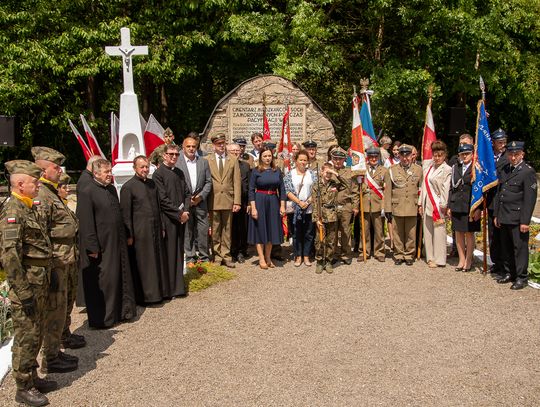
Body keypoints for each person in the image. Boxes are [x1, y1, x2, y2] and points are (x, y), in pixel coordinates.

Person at [0, 160, 57, 406]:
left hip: (39, 281)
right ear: (20, 184)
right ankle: (23, 386)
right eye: (34, 182)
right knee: (26, 335)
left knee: (37, 332)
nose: (37, 185)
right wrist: (22, 292)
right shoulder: (13, 211)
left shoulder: (27, 207)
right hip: (27, 286)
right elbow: (9, 255)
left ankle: (32, 375)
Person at [31, 147, 80, 376]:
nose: (59, 171)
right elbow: (40, 235)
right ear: (42, 169)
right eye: (55, 167)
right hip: (54, 262)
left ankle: (56, 350)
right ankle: (50, 358)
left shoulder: (50, 193)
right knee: (53, 310)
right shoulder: (41, 196)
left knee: (61, 308)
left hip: (64, 259)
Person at [77, 159, 136, 328]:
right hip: (101, 244)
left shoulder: (110, 188)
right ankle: (104, 318)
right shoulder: (87, 191)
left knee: (118, 276)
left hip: (116, 241)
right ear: (96, 173)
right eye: (106, 172)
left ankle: (121, 312)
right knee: (105, 281)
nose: (110, 174)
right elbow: (86, 222)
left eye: (110, 171)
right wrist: (92, 247)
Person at [120, 156, 168, 304]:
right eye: (142, 167)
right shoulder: (128, 187)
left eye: (146, 167)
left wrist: (162, 226)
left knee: (157, 261)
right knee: (145, 263)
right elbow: (125, 213)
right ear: (135, 168)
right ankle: (147, 296)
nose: (145, 170)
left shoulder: (152, 184)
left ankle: (160, 292)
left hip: (155, 228)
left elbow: (158, 207)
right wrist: (129, 235)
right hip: (140, 232)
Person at [494, 141, 537, 290]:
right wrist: (497, 214)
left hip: (518, 217)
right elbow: (500, 193)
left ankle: (521, 277)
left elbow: (529, 199)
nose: (513, 157)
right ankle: (509, 273)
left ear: (522, 154)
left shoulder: (527, 172)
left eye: (516, 154)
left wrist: (525, 221)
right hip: (504, 214)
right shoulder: (506, 169)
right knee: (506, 247)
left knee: (519, 249)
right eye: (510, 154)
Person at [153, 144, 191, 297]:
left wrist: (186, 211)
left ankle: (178, 286)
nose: (174, 157)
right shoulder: (158, 174)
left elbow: (187, 193)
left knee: (179, 251)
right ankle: (169, 289)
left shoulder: (179, 172)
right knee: (169, 252)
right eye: (171, 154)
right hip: (168, 219)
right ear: (164, 156)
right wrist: (178, 213)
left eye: (176, 154)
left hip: (181, 217)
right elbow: (162, 199)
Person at [56, 173, 85, 350]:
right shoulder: (50, 205)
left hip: (69, 258)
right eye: (63, 187)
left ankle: (65, 334)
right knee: (58, 305)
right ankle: (55, 346)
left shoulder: (64, 205)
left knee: (67, 301)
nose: (67, 189)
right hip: (59, 260)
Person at [384, 144, 423, 265]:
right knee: (398, 232)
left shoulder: (418, 169)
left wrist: (420, 205)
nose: (405, 158)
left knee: (411, 233)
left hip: (412, 205)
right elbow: (388, 191)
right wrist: (387, 209)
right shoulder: (391, 170)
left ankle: (409, 254)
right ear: (399, 156)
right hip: (397, 206)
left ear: (412, 156)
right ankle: (399, 254)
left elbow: (421, 188)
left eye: (408, 155)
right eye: (403, 155)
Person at [206, 134, 241, 267]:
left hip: (228, 199)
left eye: (223, 143)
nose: (221, 145)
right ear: (213, 145)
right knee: (215, 229)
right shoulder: (207, 160)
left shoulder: (232, 159)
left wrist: (237, 201)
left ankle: (226, 255)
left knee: (227, 230)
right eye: (218, 143)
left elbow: (237, 182)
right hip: (213, 199)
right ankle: (217, 255)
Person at [176, 137, 212, 267]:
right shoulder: (178, 163)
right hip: (185, 202)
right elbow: (176, 183)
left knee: (202, 230)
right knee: (188, 230)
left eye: (194, 146)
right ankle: (190, 258)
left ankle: (204, 257)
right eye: (188, 146)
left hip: (200, 202)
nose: (191, 149)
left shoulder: (203, 162)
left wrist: (200, 197)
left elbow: (208, 182)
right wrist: (187, 200)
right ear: (183, 148)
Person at [248, 147, 286, 269]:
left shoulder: (277, 171)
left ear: (272, 157)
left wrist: (282, 206)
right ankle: (261, 258)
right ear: (260, 157)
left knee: (271, 229)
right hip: (259, 200)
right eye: (265, 156)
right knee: (260, 229)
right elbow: (251, 190)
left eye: (269, 156)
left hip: (273, 201)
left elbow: (282, 190)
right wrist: (253, 208)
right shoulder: (256, 171)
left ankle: (268, 257)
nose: (267, 158)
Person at [418, 141, 452, 268]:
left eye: (440, 155)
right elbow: (423, 186)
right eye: (435, 155)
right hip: (427, 203)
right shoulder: (429, 168)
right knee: (428, 232)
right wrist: (420, 203)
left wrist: (443, 204)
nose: (437, 158)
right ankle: (430, 257)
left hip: (438, 204)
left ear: (444, 156)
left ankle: (440, 259)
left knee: (439, 232)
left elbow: (445, 188)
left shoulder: (447, 169)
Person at [448, 144, 480, 272]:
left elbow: (480, 191)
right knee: (458, 232)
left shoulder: (476, 168)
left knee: (469, 233)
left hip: (470, 205)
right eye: (462, 154)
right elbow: (452, 188)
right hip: (457, 204)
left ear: (472, 154)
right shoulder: (456, 167)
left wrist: (478, 209)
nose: (464, 156)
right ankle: (461, 259)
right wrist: (450, 205)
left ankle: (469, 259)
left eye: (467, 153)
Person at [312, 163, 347, 274]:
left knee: (331, 241)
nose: (328, 174)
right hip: (321, 214)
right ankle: (319, 261)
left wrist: (335, 173)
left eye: (329, 172)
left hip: (332, 215)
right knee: (319, 240)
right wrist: (316, 219)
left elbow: (347, 185)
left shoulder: (335, 184)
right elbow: (314, 203)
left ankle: (328, 261)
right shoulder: (316, 185)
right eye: (326, 172)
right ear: (321, 172)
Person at [284, 149, 316, 267]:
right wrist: (299, 202)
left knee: (308, 233)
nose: (303, 162)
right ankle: (298, 255)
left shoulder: (311, 174)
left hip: (309, 208)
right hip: (295, 208)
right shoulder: (290, 174)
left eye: (305, 160)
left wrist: (307, 202)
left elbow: (316, 189)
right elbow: (287, 190)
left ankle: (306, 256)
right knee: (296, 232)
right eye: (301, 160)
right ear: (296, 161)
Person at [486, 128, 509, 277]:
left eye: (504, 142)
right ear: (493, 143)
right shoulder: (488, 156)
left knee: (502, 235)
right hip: (490, 200)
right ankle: (496, 262)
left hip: (502, 201)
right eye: (499, 142)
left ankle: (505, 266)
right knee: (493, 235)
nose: (502, 144)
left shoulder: (508, 158)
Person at [330, 148, 359, 265]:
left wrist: (355, 206)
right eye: (335, 159)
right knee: (333, 232)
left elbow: (355, 190)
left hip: (346, 205)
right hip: (332, 206)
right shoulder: (328, 171)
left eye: (340, 159)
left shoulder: (349, 172)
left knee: (346, 231)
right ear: (332, 159)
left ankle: (346, 254)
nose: (337, 161)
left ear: (344, 160)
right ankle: (334, 254)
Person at [360, 147, 387, 262]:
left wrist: (384, 206)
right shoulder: (362, 170)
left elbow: (386, 190)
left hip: (378, 204)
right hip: (365, 203)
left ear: (379, 157)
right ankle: (364, 251)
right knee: (364, 230)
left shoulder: (384, 171)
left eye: (376, 157)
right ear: (368, 158)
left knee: (379, 230)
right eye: (371, 157)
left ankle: (379, 252)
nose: (373, 159)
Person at [227, 143, 251, 263]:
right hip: (228, 202)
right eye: (233, 151)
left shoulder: (246, 166)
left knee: (242, 227)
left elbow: (250, 185)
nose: (236, 153)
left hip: (243, 202)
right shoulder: (225, 165)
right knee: (230, 228)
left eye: (237, 150)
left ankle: (241, 251)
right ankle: (231, 251)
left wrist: (250, 203)